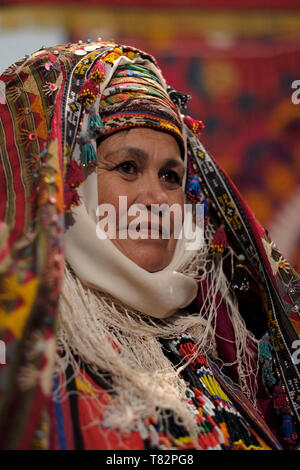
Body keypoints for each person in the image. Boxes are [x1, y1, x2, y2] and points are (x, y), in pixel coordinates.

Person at [0, 39, 299, 451]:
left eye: (171, 176)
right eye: (127, 166)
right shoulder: (21, 356)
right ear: (67, 186)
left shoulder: (222, 353)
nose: (157, 199)